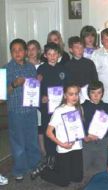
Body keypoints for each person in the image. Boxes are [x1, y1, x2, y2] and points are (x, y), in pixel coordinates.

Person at [5, 39, 40, 181]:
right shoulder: (5, 69)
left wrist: (38, 81)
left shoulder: (31, 68)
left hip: (30, 111)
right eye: (14, 50)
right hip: (16, 112)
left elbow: (34, 88)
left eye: (20, 49)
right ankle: (19, 168)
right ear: (11, 53)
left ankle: (34, 165)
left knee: (32, 140)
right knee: (18, 142)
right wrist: (14, 84)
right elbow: (1, 96)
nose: (17, 52)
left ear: (26, 52)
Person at [36, 42, 70, 175]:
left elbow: (67, 87)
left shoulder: (63, 69)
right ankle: (50, 156)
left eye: (54, 54)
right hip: (47, 108)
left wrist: (66, 100)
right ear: (45, 55)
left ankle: (60, 156)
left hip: (60, 107)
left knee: (60, 131)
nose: (52, 56)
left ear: (59, 55)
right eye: (49, 54)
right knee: (48, 131)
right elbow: (35, 89)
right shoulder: (41, 70)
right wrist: (42, 98)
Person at [40, 84, 83, 187]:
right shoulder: (59, 110)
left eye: (76, 94)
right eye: (71, 94)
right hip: (64, 149)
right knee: (64, 182)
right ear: (65, 96)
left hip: (77, 147)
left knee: (77, 178)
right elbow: (48, 132)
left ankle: (57, 167)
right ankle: (44, 171)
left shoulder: (80, 108)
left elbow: (79, 129)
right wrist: (62, 144)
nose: (74, 97)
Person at [82, 81, 108, 176]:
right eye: (93, 92)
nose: (96, 95)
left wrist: (101, 135)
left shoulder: (106, 107)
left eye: (99, 93)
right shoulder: (83, 107)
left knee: (102, 170)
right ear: (88, 93)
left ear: (102, 93)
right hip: (87, 141)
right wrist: (86, 135)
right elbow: (79, 125)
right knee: (83, 169)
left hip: (102, 141)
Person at [27, 40, 46, 159]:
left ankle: (43, 149)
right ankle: (32, 150)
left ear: (38, 50)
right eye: (28, 49)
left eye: (33, 49)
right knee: (30, 126)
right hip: (28, 101)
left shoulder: (43, 66)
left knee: (40, 125)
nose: (31, 52)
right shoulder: (24, 65)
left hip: (41, 100)